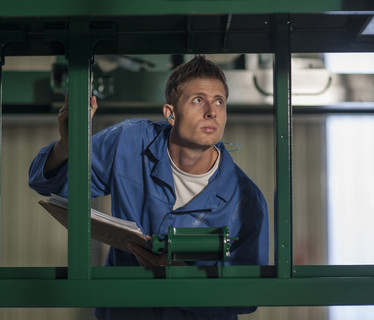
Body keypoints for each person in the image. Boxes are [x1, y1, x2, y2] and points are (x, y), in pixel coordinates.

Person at [28, 55, 269, 320]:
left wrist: (178, 274)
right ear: (171, 114)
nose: (212, 111)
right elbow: (48, 184)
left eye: (219, 101)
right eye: (198, 100)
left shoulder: (246, 200)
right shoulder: (130, 142)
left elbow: (248, 295)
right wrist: (67, 145)